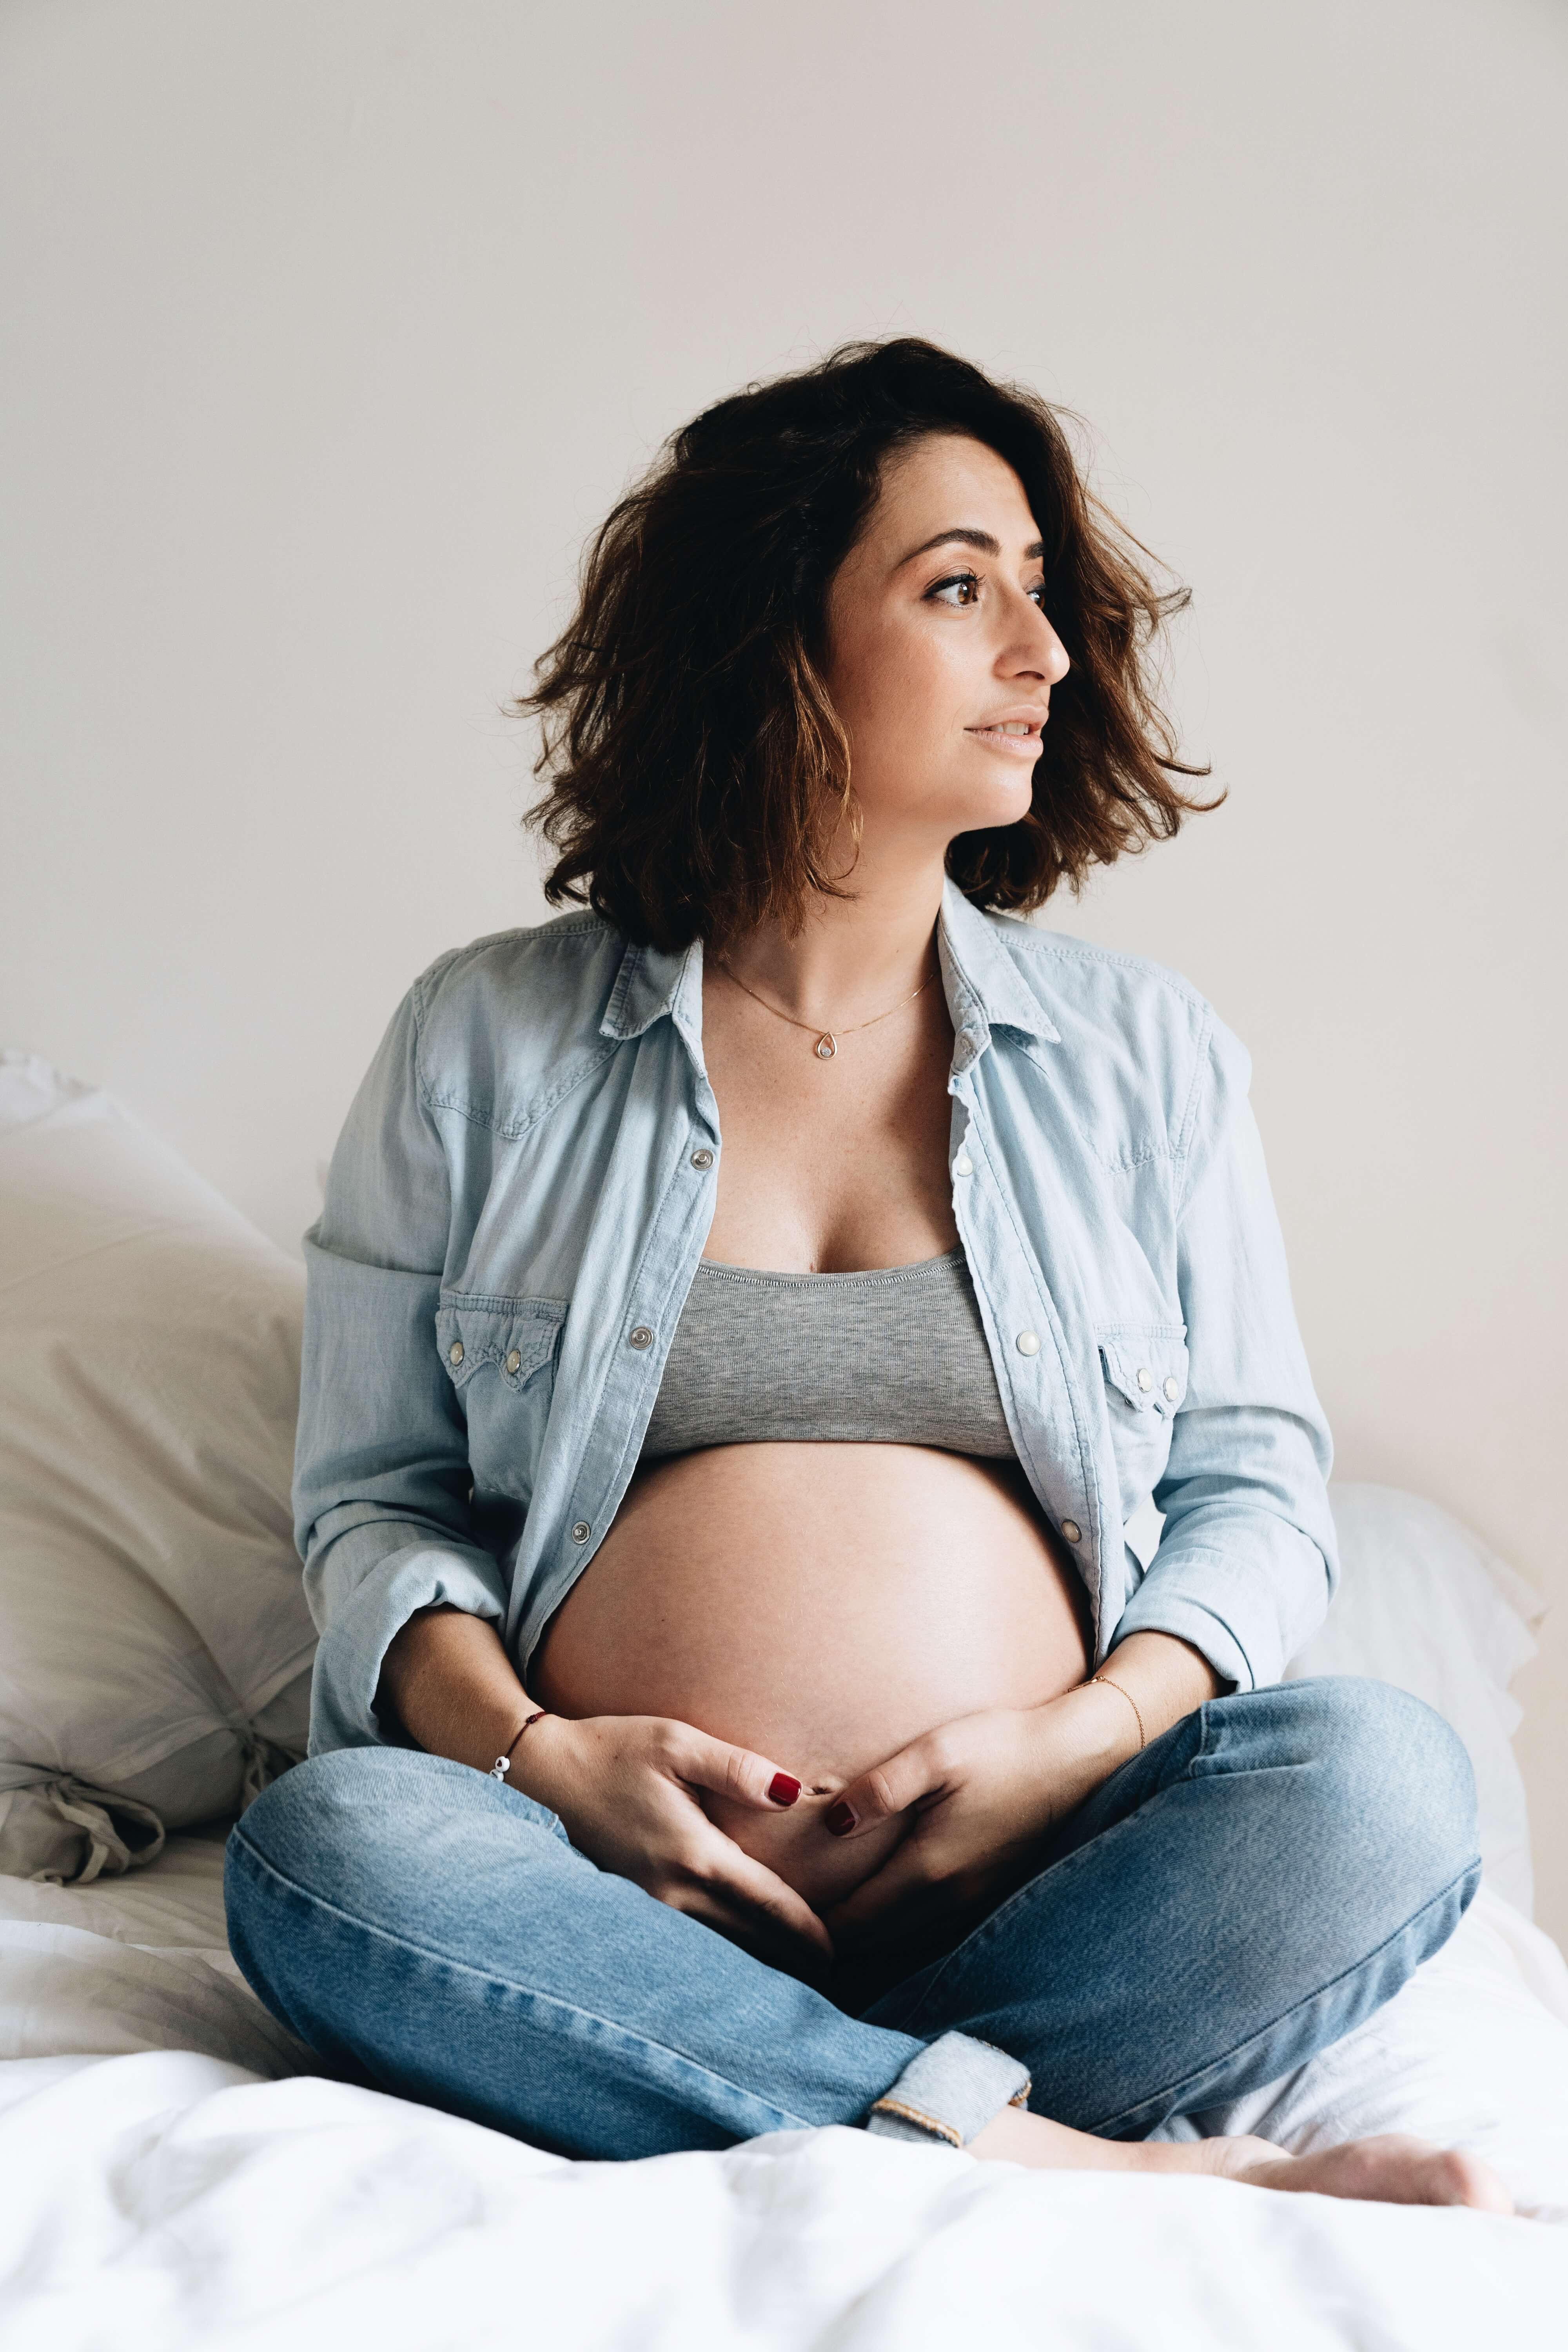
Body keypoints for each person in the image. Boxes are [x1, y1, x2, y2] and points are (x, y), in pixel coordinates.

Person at [227, 339, 1506, 2209]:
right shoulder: (481, 1039)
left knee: (1384, 1780)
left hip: (1046, 1897)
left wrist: (1073, 1746)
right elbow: (374, 1501)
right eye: (958, 587)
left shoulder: (1142, 1058)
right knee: (331, 1848)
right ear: (777, 639)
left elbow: (1251, 1486)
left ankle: (809, 2100)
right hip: (601, 1897)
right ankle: (1044, 2152)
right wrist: (537, 1760)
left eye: (1043, 597)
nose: (1044, 656)